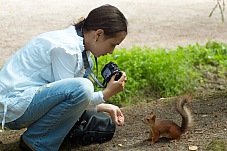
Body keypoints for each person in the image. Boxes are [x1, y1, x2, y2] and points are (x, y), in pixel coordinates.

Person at [0, 4, 128, 150]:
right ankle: (38, 143)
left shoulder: (81, 48)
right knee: (83, 86)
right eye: (113, 44)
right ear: (98, 34)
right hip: (12, 107)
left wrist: (104, 106)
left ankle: (40, 138)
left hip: (24, 102)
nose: (112, 51)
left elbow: (69, 98)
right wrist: (107, 93)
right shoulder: (67, 48)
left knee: (84, 84)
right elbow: (74, 93)